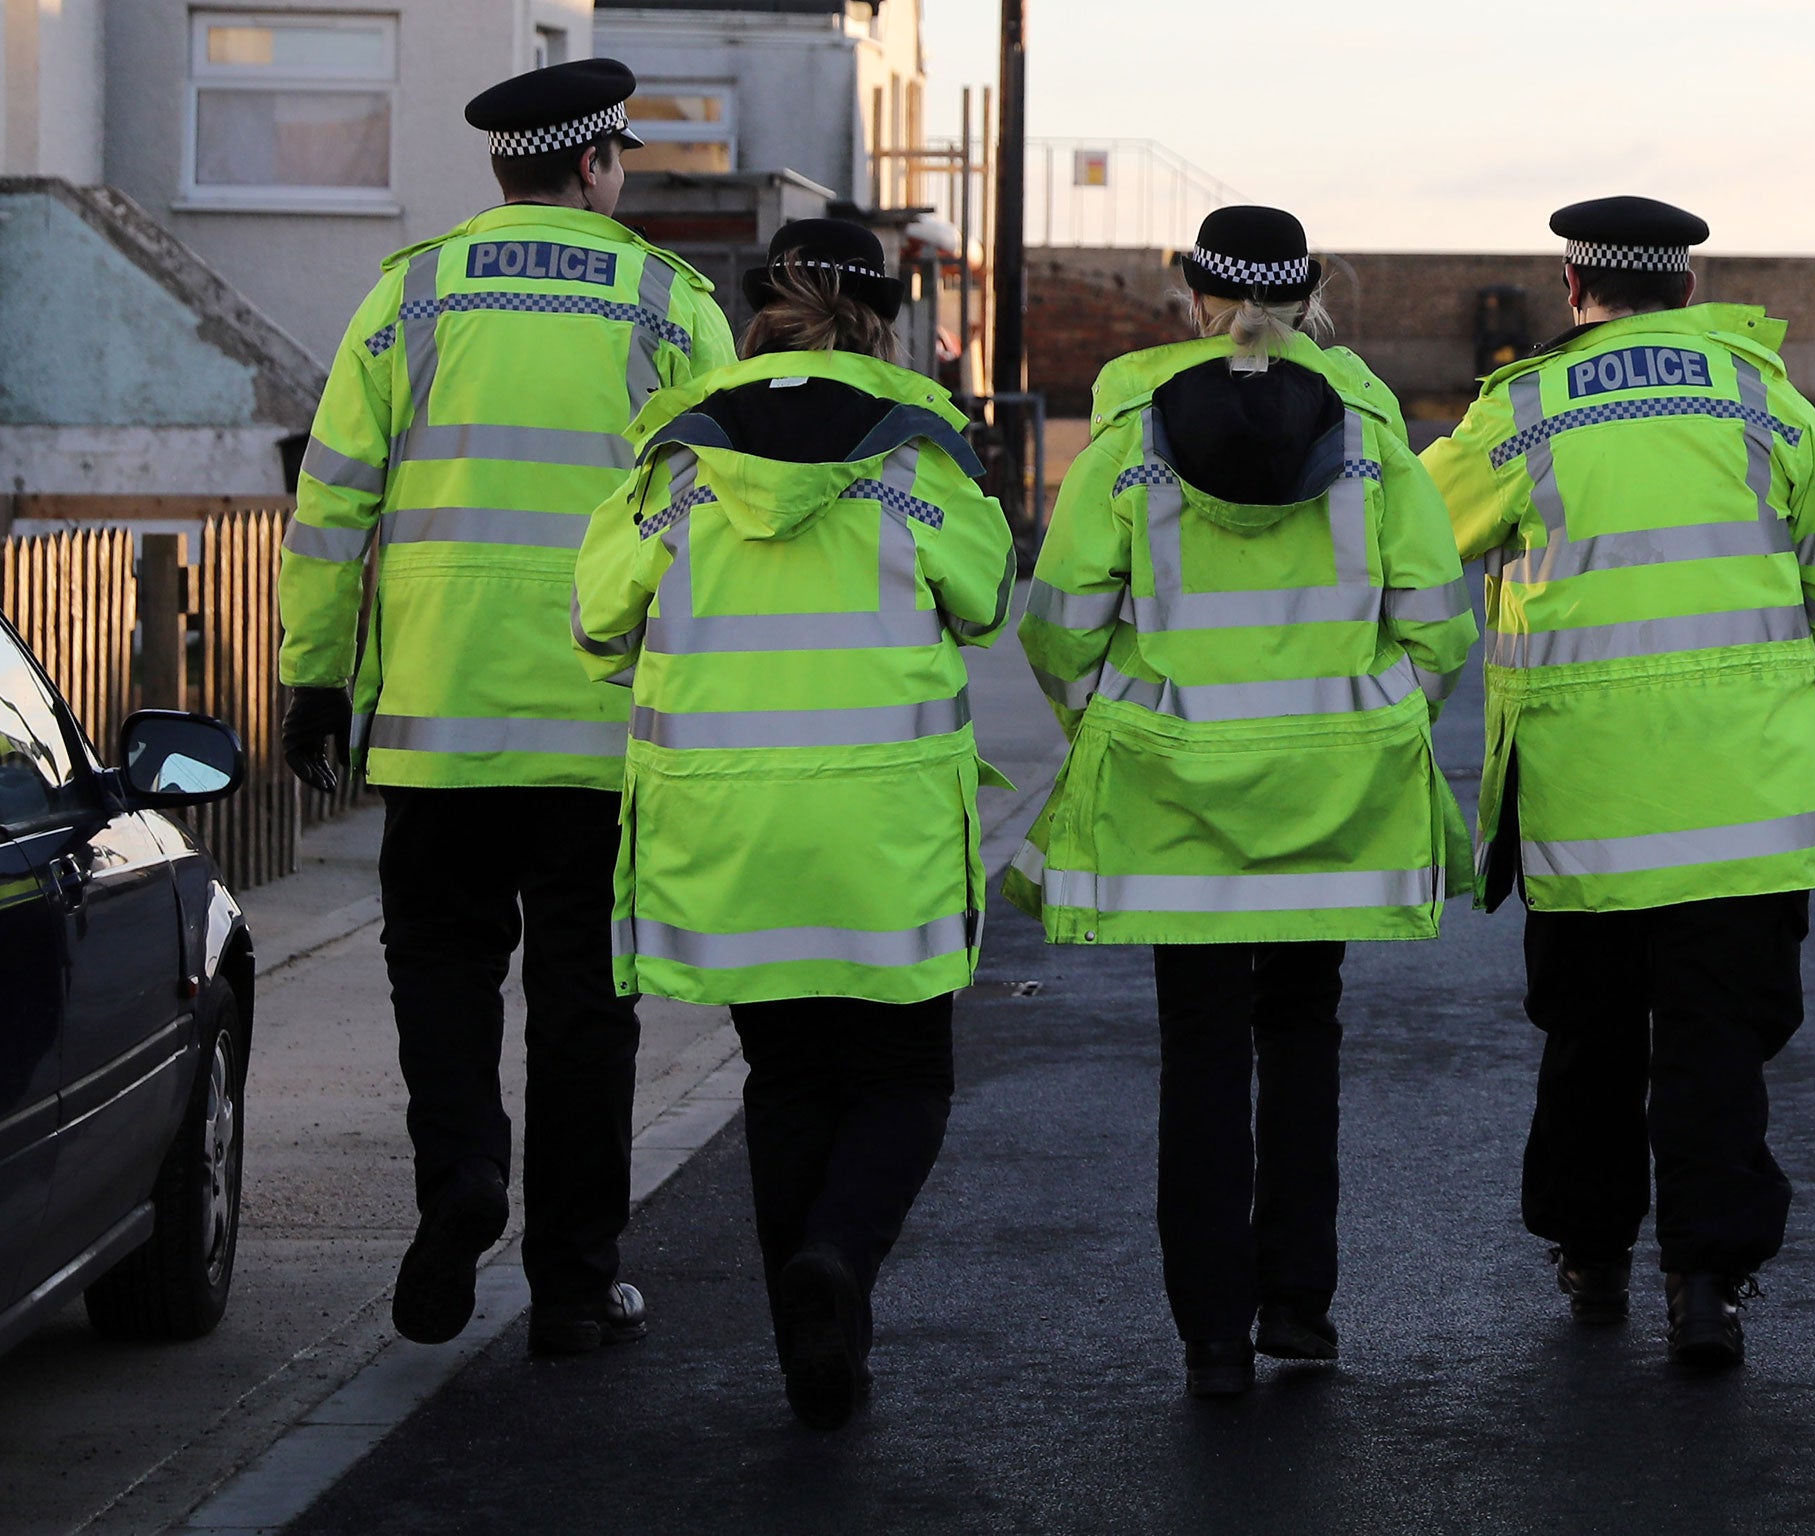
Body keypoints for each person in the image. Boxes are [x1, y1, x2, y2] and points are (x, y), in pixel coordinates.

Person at [276, 59, 736, 1357]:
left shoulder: (408, 296)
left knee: (441, 972)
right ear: (594, 166)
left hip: (438, 722)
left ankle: (464, 1175)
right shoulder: (665, 304)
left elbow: (332, 510)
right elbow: (718, 517)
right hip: (601, 735)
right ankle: (577, 1286)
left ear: (503, 169)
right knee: (589, 1011)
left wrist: (314, 678)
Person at [1006, 206, 1478, 1398]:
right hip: (1334, 794)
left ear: (1189, 289)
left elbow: (1058, 628)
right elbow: (1436, 622)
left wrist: (1115, 728)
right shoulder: (1370, 424)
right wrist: (1374, 725)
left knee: (1200, 1053)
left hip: (1172, 802)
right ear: (1314, 288)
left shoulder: (1127, 428)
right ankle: (1299, 1311)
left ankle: (1211, 1332)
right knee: (1303, 1037)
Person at [569, 218, 1016, 1430]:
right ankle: (839, 1266)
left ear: (760, 305)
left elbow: (599, 610)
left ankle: (809, 1350)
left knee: (784, 1079)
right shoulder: (916, 445)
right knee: (905, 1080)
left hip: (731, 826)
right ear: (884, 315)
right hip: (884, 833)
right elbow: (982, 601)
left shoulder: (680, 451)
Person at [1420, 196, 1815, 1370]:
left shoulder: (1518, 412)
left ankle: (1591, 1259)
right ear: (1686, 289)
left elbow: (1414, 538)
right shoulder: (1761, 398)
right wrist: (1755, 676)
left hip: (1586, 810)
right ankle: (1708, 1285)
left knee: (1591, 1040)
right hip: (1746, 799)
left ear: (1572, 291)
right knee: (1716, 1042)